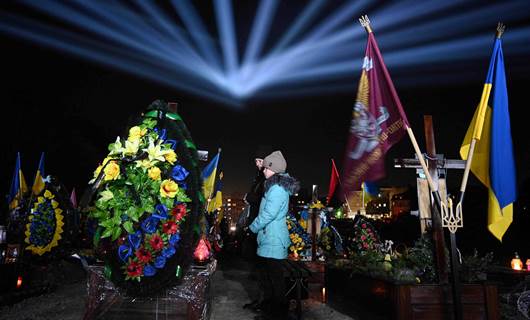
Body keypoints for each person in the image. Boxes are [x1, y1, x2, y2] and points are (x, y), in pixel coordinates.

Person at [248, 150, 300, 320]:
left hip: (273, 237)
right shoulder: (275, 185)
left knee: (275, 278)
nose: (263, 170)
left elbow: (269, 214)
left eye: (266, 168)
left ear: (274, 169)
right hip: (270, 236)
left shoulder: (277, 188)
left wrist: (252, 227)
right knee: (269, 275)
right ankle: (271, 308)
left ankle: (279, 312)